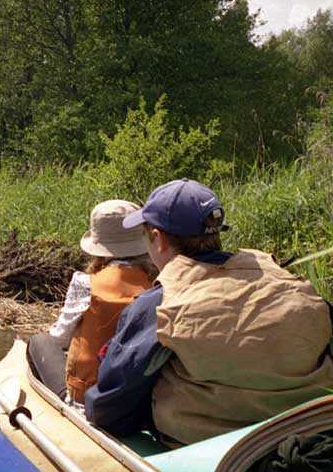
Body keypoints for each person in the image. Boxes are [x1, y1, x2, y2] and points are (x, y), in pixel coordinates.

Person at [84, 179, 333, 446]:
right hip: (311, 430)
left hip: (218, 452)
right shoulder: (289, 284)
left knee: (42, 348)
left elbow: (108, 407)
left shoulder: (161, 303)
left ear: (157, 239)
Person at [27, 200, 154, 403]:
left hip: (87, 394)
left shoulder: (85, 283)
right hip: (140, 397)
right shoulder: (158, 285)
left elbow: (60, 339)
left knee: (40, 341)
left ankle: (56, 404)